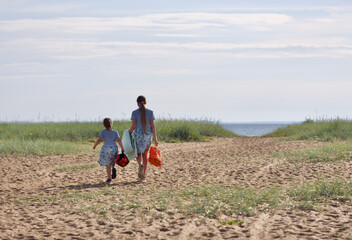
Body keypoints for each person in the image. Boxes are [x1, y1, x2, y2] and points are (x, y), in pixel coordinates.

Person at [129, 95, 158, 181]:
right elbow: (153, 126)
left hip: (138, 135)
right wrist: (155, 139)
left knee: (138, 154)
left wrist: (128, 133)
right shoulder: (150, 112)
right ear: (145, 102)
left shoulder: (134, 112)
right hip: (148, 136)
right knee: (145, 155)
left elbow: (133, 126)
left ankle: (140, 164)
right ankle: (144, 175)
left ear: (138, 103)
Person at [93, 118, 125, 183]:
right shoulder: (115, 132)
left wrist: (95, 145)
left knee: (108, 164)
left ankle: (109, 178)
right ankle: (113, 168)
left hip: (106, 149)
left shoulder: (103, 132)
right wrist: (122, 148)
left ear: (104, 124)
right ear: (111, 124)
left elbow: (99, 139)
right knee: (113, 160)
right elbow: (119, 140)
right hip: (114, 148)